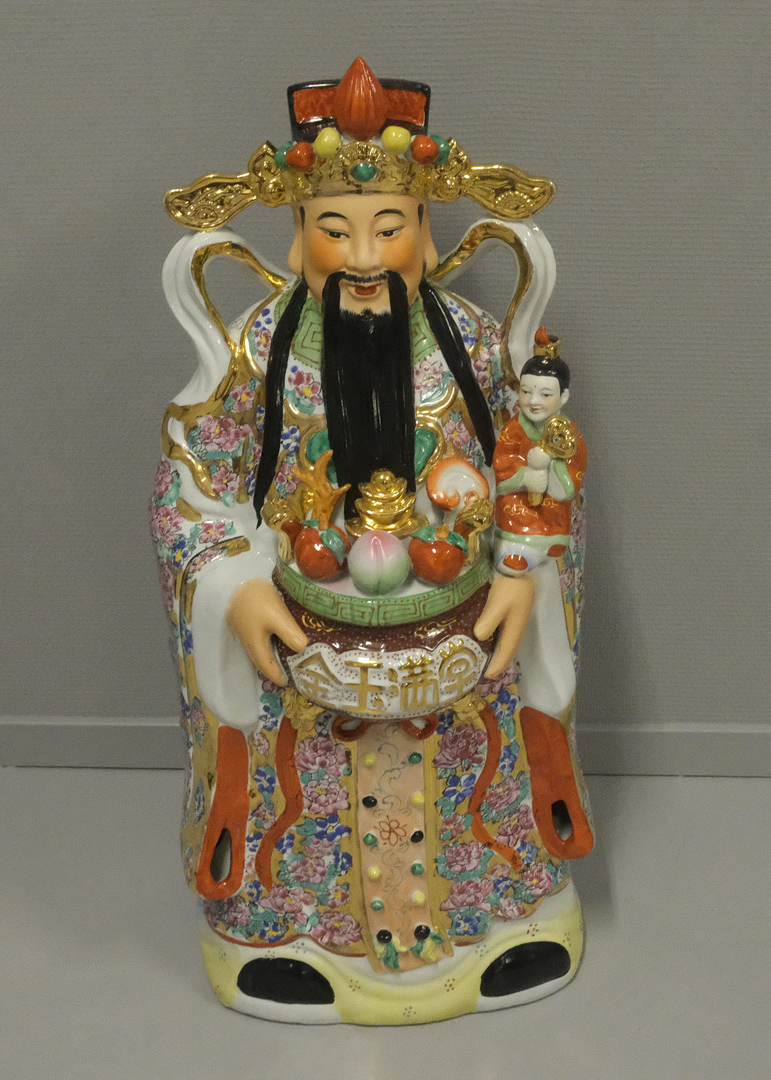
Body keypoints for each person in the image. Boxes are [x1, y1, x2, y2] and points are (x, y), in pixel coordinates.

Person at [152, 58, 593, 1024]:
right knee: (291, 779)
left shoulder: (475, 345)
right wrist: (233, 589)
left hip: (465, 640)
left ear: (425, 232)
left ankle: (506, 924)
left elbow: (536, 462)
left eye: (388, 229)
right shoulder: (253, 354)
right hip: (301, 651)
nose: (362, 257)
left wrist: (524, 571)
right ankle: (287, 935)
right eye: (334, 228)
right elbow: (195, 492)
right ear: (297, 233)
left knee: (487, 757)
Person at [493, 340, 586, 576]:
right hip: (517, 516)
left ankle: (550, 542)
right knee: (511, 558)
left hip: (554, 517)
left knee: (557, 538)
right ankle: (517, 549)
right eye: (526, 392)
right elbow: (501, 476)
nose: (533, 401)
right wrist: (526, 477)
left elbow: (568, 488)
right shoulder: (513, 431)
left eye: (545, 394)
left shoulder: (569, 435)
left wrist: (551, 464)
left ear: (563, 396)